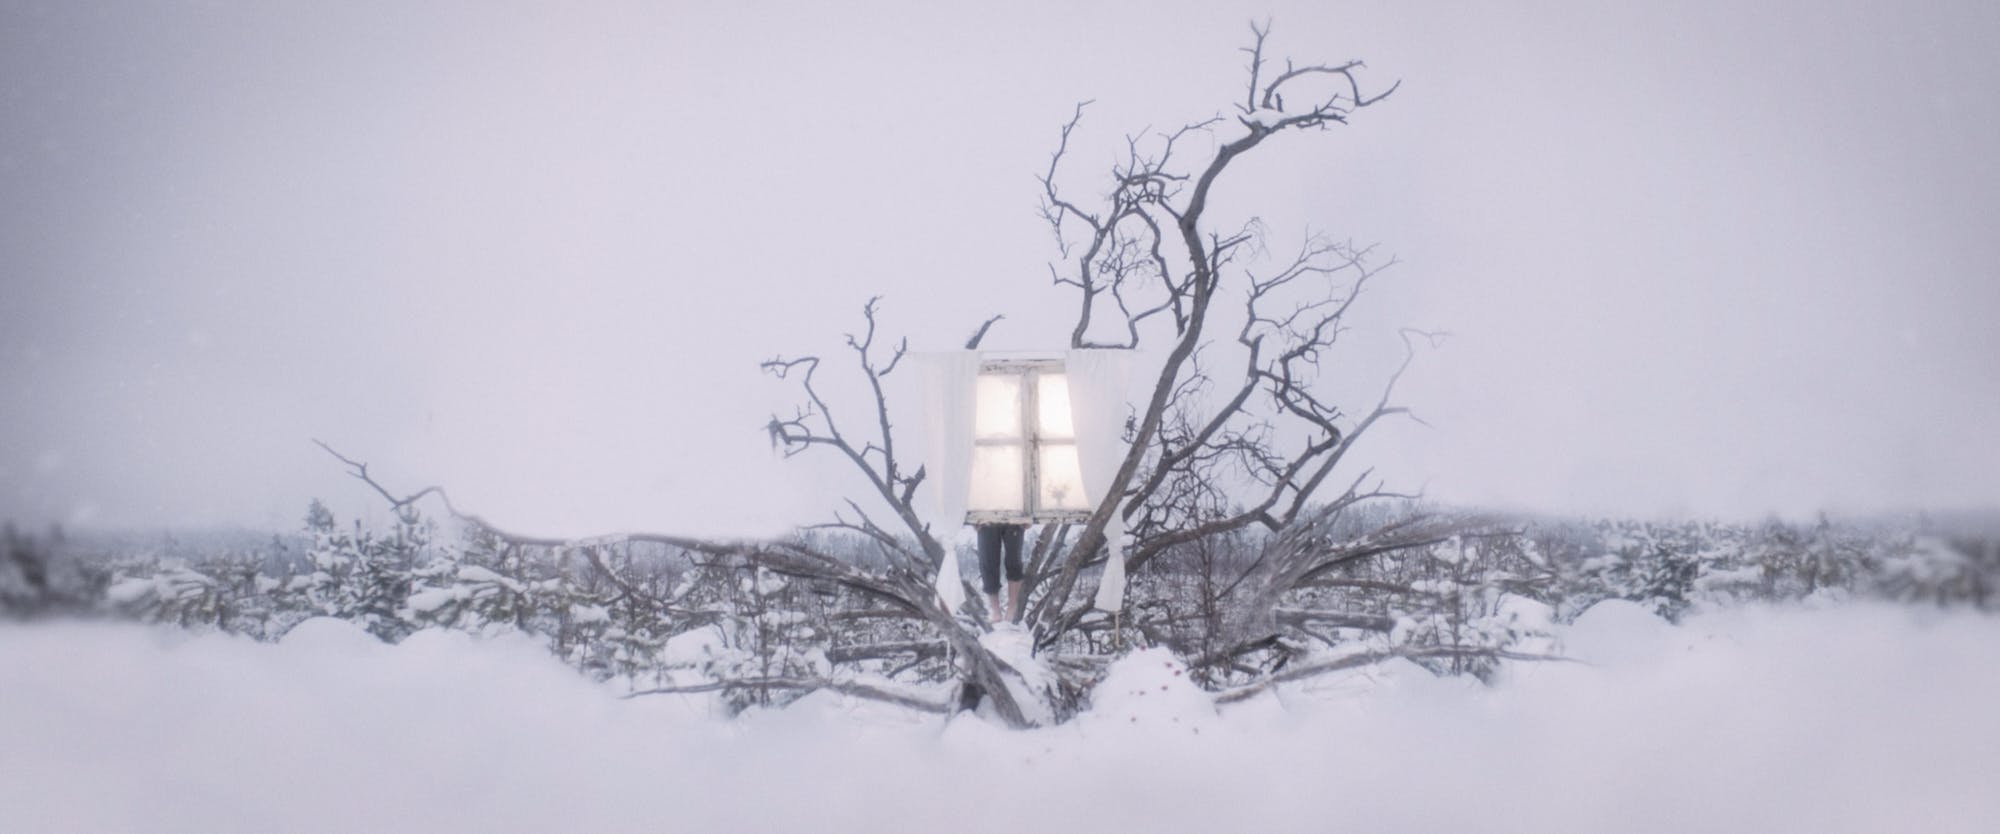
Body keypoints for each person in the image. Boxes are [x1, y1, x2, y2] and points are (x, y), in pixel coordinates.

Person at [975, 522, 1026, 624]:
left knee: (1014, 560)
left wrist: (1028, 518)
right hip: (986, 513)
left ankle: (1012, 607)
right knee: (987, 561)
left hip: (1015, 512)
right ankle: (995, 610)